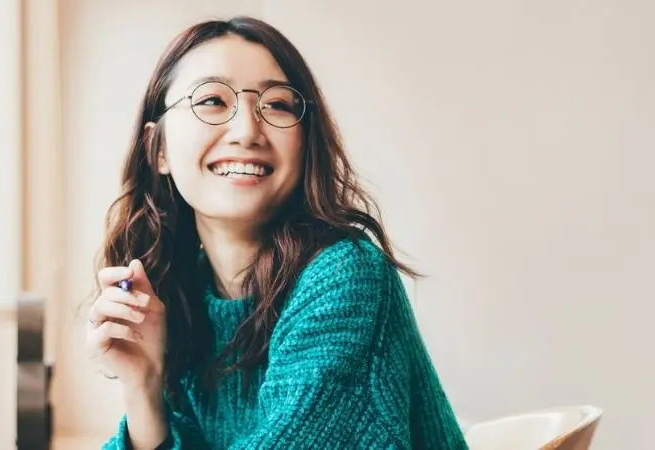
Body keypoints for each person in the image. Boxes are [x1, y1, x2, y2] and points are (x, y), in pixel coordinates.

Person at [87, 16, 468, 449]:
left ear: (306, 144)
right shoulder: (177, 293)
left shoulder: (347, 276)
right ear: (158, 149)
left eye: (278, 105)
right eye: (212, 100)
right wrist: (143, 386)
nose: (248, 130)